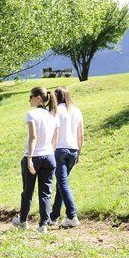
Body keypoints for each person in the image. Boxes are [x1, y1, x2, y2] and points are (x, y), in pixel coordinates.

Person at [12, 86, 59, 233]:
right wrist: (49, 151)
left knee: (28, 191)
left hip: (34, 156)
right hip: (49, 156)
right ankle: (43, 225)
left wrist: (30, 158)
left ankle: (23, 220)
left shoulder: (32, 114)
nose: (29, 99)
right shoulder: (53, 115)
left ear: (38, 97)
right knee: (46, 192)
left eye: (30, 96)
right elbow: (55, 139)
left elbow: (33, 137)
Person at [49, 87, 83, 228]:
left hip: (59, 150)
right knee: (61, 184)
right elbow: (81, 134)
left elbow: (52, 132)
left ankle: (72, 215)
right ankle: (54, 217)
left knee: (62, 184)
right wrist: (79, 153)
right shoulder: (76, 111)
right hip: (73, 150)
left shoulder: (56, 112)